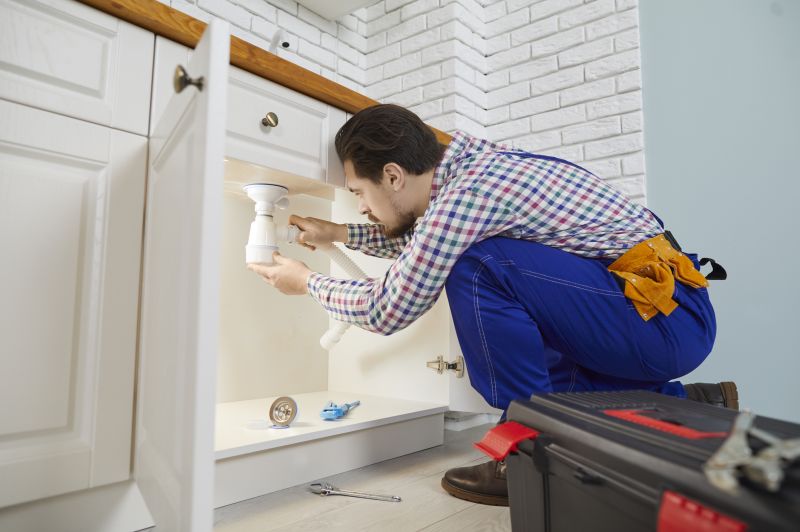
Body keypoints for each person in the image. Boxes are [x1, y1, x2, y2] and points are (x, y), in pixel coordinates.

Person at [247, 104, 737, 506]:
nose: (360, 206)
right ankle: (682, 404)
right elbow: (429, 239)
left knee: (478, 268)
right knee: (545, 377)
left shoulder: (471, 193)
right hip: (666, 316)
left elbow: (387, 309)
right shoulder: (471, 172)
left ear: (393, 175)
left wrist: (307, 282)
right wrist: (340, 234)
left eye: (358, 193)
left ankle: (526, 449)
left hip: (661, 320)